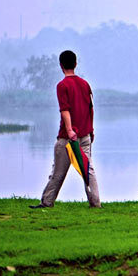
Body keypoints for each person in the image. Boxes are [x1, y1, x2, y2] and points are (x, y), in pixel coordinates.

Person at [30, 50, 101, 208]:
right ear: (76, 64)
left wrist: (69, 131)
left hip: (68, 138)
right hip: (85, 135)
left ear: (61, 66)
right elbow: (91, 109)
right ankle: (96, 203)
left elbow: (65, 110)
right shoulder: (85, 84)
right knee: (88, 169)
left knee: (58, 172)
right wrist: (91, 130)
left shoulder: (62, 86)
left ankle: (47, 202)